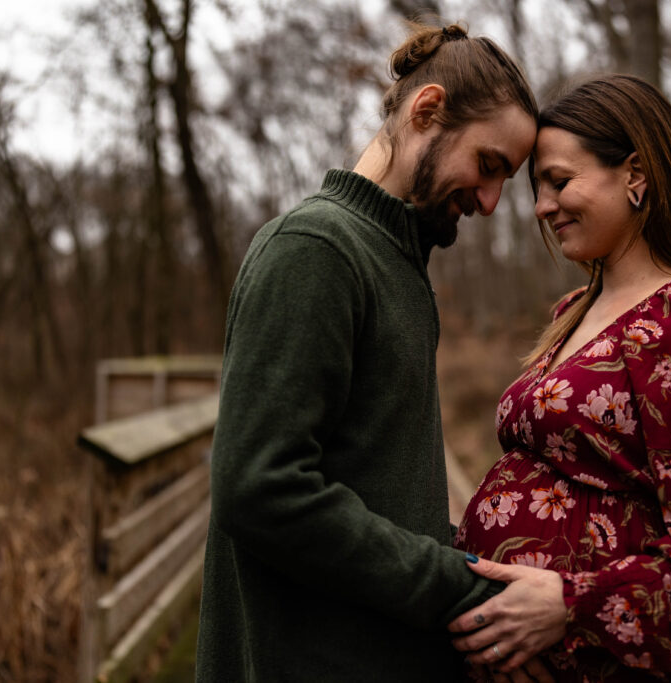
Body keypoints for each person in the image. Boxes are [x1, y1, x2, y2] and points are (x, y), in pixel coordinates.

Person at [195, 22, 543, 682]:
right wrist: (454, 583)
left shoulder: (400, 267)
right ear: (428, 110)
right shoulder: (316, 250)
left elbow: (380, 481)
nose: (492, 201)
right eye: (489, 164)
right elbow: (258, 487)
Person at [447, 75, 671, 682]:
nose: (541, 206)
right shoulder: (570, 312)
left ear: (635, 174)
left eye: (559, 181)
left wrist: (571, 605)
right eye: (537, 188)